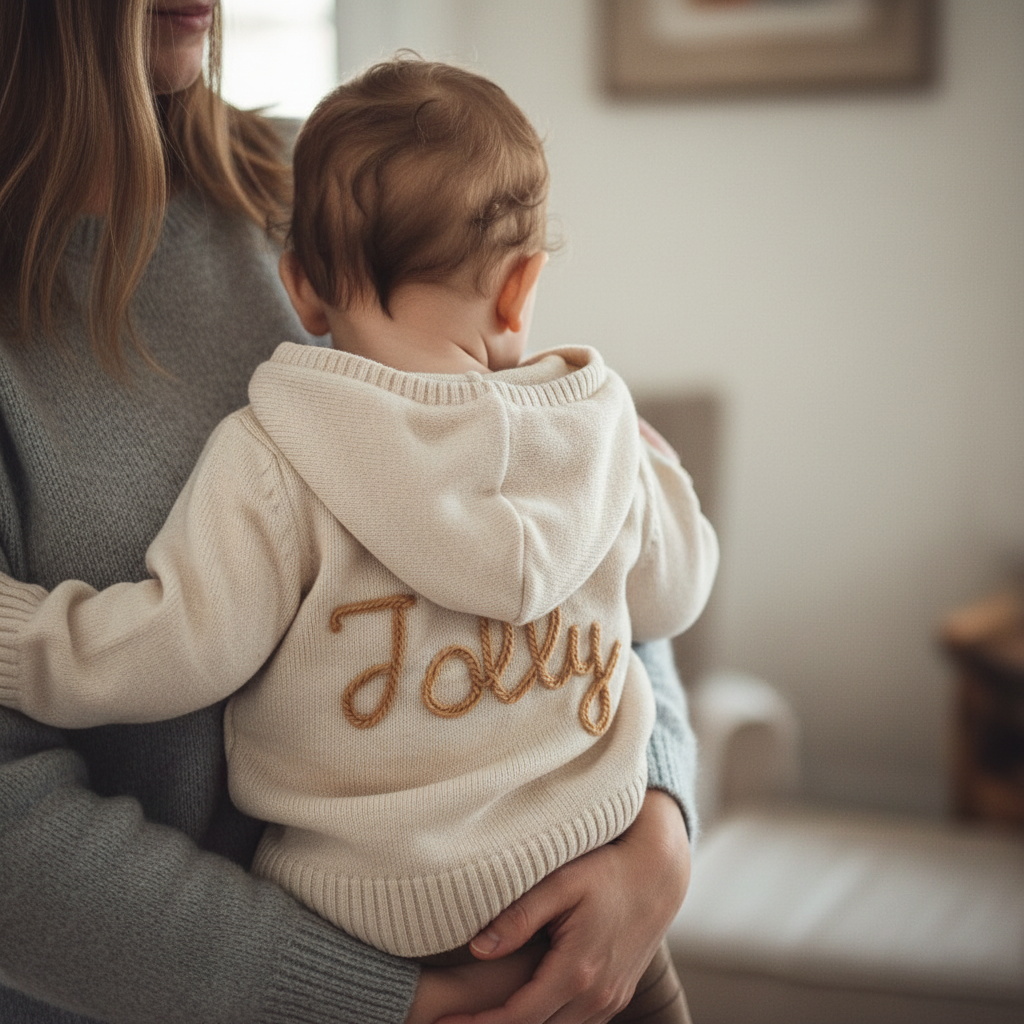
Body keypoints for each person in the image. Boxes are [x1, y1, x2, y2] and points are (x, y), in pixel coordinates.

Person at [0, 4, 702, 1023]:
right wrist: (380, 1000)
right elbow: (649, 569)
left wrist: (662, 822)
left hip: (582, 943)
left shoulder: (326, 187)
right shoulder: (582, 406)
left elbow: (164, 647)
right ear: (524, 290)